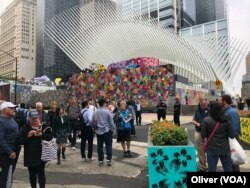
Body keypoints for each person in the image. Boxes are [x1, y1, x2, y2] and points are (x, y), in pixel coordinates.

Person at [18, 110, 53, 188]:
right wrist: (28, 136)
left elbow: (50, 137)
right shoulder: (25, 128)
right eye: (32, 119)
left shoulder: (44, 126)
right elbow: (20, 141)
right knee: (32, 175)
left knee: (41, 174)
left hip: (41, 155)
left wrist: (41, 135)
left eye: (36, 119)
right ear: (29, 119)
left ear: (38, 118)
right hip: (30, 156)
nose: (34, 121)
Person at [201, 102, 234, 172]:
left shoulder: (206, 120)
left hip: (211, 149)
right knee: (228, 169)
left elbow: (203, 135)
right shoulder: (227, 120)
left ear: (211, 110)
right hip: (225, 148)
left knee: (212, 169)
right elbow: (232, 135)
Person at [0, 102, 20, 188]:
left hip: (15, 150)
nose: (14, 109)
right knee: (5, 174)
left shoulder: (12, 118)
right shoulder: (1, 121)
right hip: (6, 153)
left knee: (10, 173)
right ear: (4, 110)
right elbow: (0, 139)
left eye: (14, 108)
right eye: (11, 108)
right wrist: (10, 151)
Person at [220, 94, 241, 172]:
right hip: (228, 139)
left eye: (220, 100)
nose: (219, 101)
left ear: (225, 101)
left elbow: (235, 128)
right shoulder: (225, 111)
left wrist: (230, 137)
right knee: (229, 161)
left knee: (234, 161)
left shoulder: (231, 112)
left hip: (232, 139)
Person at [92, 98, 115, 166]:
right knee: (108, 145)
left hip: (99, 131)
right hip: (107, 131)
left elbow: (92, 121)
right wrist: (113, 129)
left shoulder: (95, 112)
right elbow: (111, 122)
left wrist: (94, 128)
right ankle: (108, 160)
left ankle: (100, 160)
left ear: (98, 103)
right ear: (104, 103)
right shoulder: (107, 112)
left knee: (99, 146)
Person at [192, 97, 209, 172]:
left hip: (209, 132)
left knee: (210, 150)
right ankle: (203, 166)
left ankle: (211, 165)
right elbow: (193, 120)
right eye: (202, 105)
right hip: (199, 131)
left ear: (207, 103)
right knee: (200, 150)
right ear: (200, 103)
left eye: (205, 105)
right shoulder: (197, 111)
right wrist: (197, 123)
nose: (204, 107)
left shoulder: (211, 110)